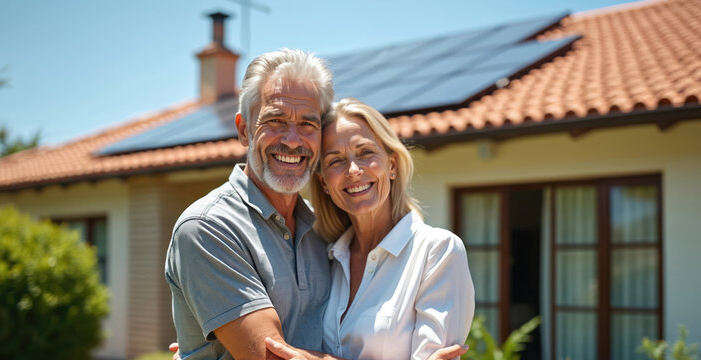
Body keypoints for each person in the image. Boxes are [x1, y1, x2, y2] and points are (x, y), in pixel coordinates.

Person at [165, 50, 468, 360]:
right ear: (243, 129)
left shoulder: (323, 236)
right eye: (276, 121)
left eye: (308, 125)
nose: (293, 140)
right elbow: (270, 357)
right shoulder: (207, 227)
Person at [264, 98, 475, 360]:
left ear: (392, 166)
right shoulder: (324, 258)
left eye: (365, 153)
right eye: (335, 161)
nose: (353, 170)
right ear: (325, 184)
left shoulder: (438, 252)